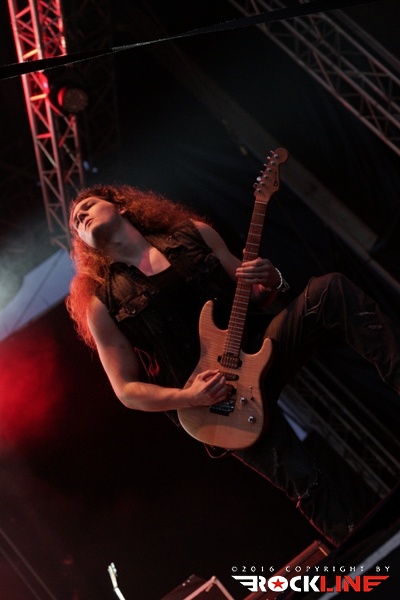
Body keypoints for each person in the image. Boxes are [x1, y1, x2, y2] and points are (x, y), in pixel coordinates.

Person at [67, 183, 400, 547]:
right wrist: (189, 396)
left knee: (329, 290)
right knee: (306, 480)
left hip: (262, 346)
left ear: (121, 206)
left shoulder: (193, 234)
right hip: (216, 402)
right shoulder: (103, 303)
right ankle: (376, 559)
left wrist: (272, 279)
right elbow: (127, 390)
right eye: (75, 222)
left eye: (88, 206)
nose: (80, 216)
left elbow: (255, 293)